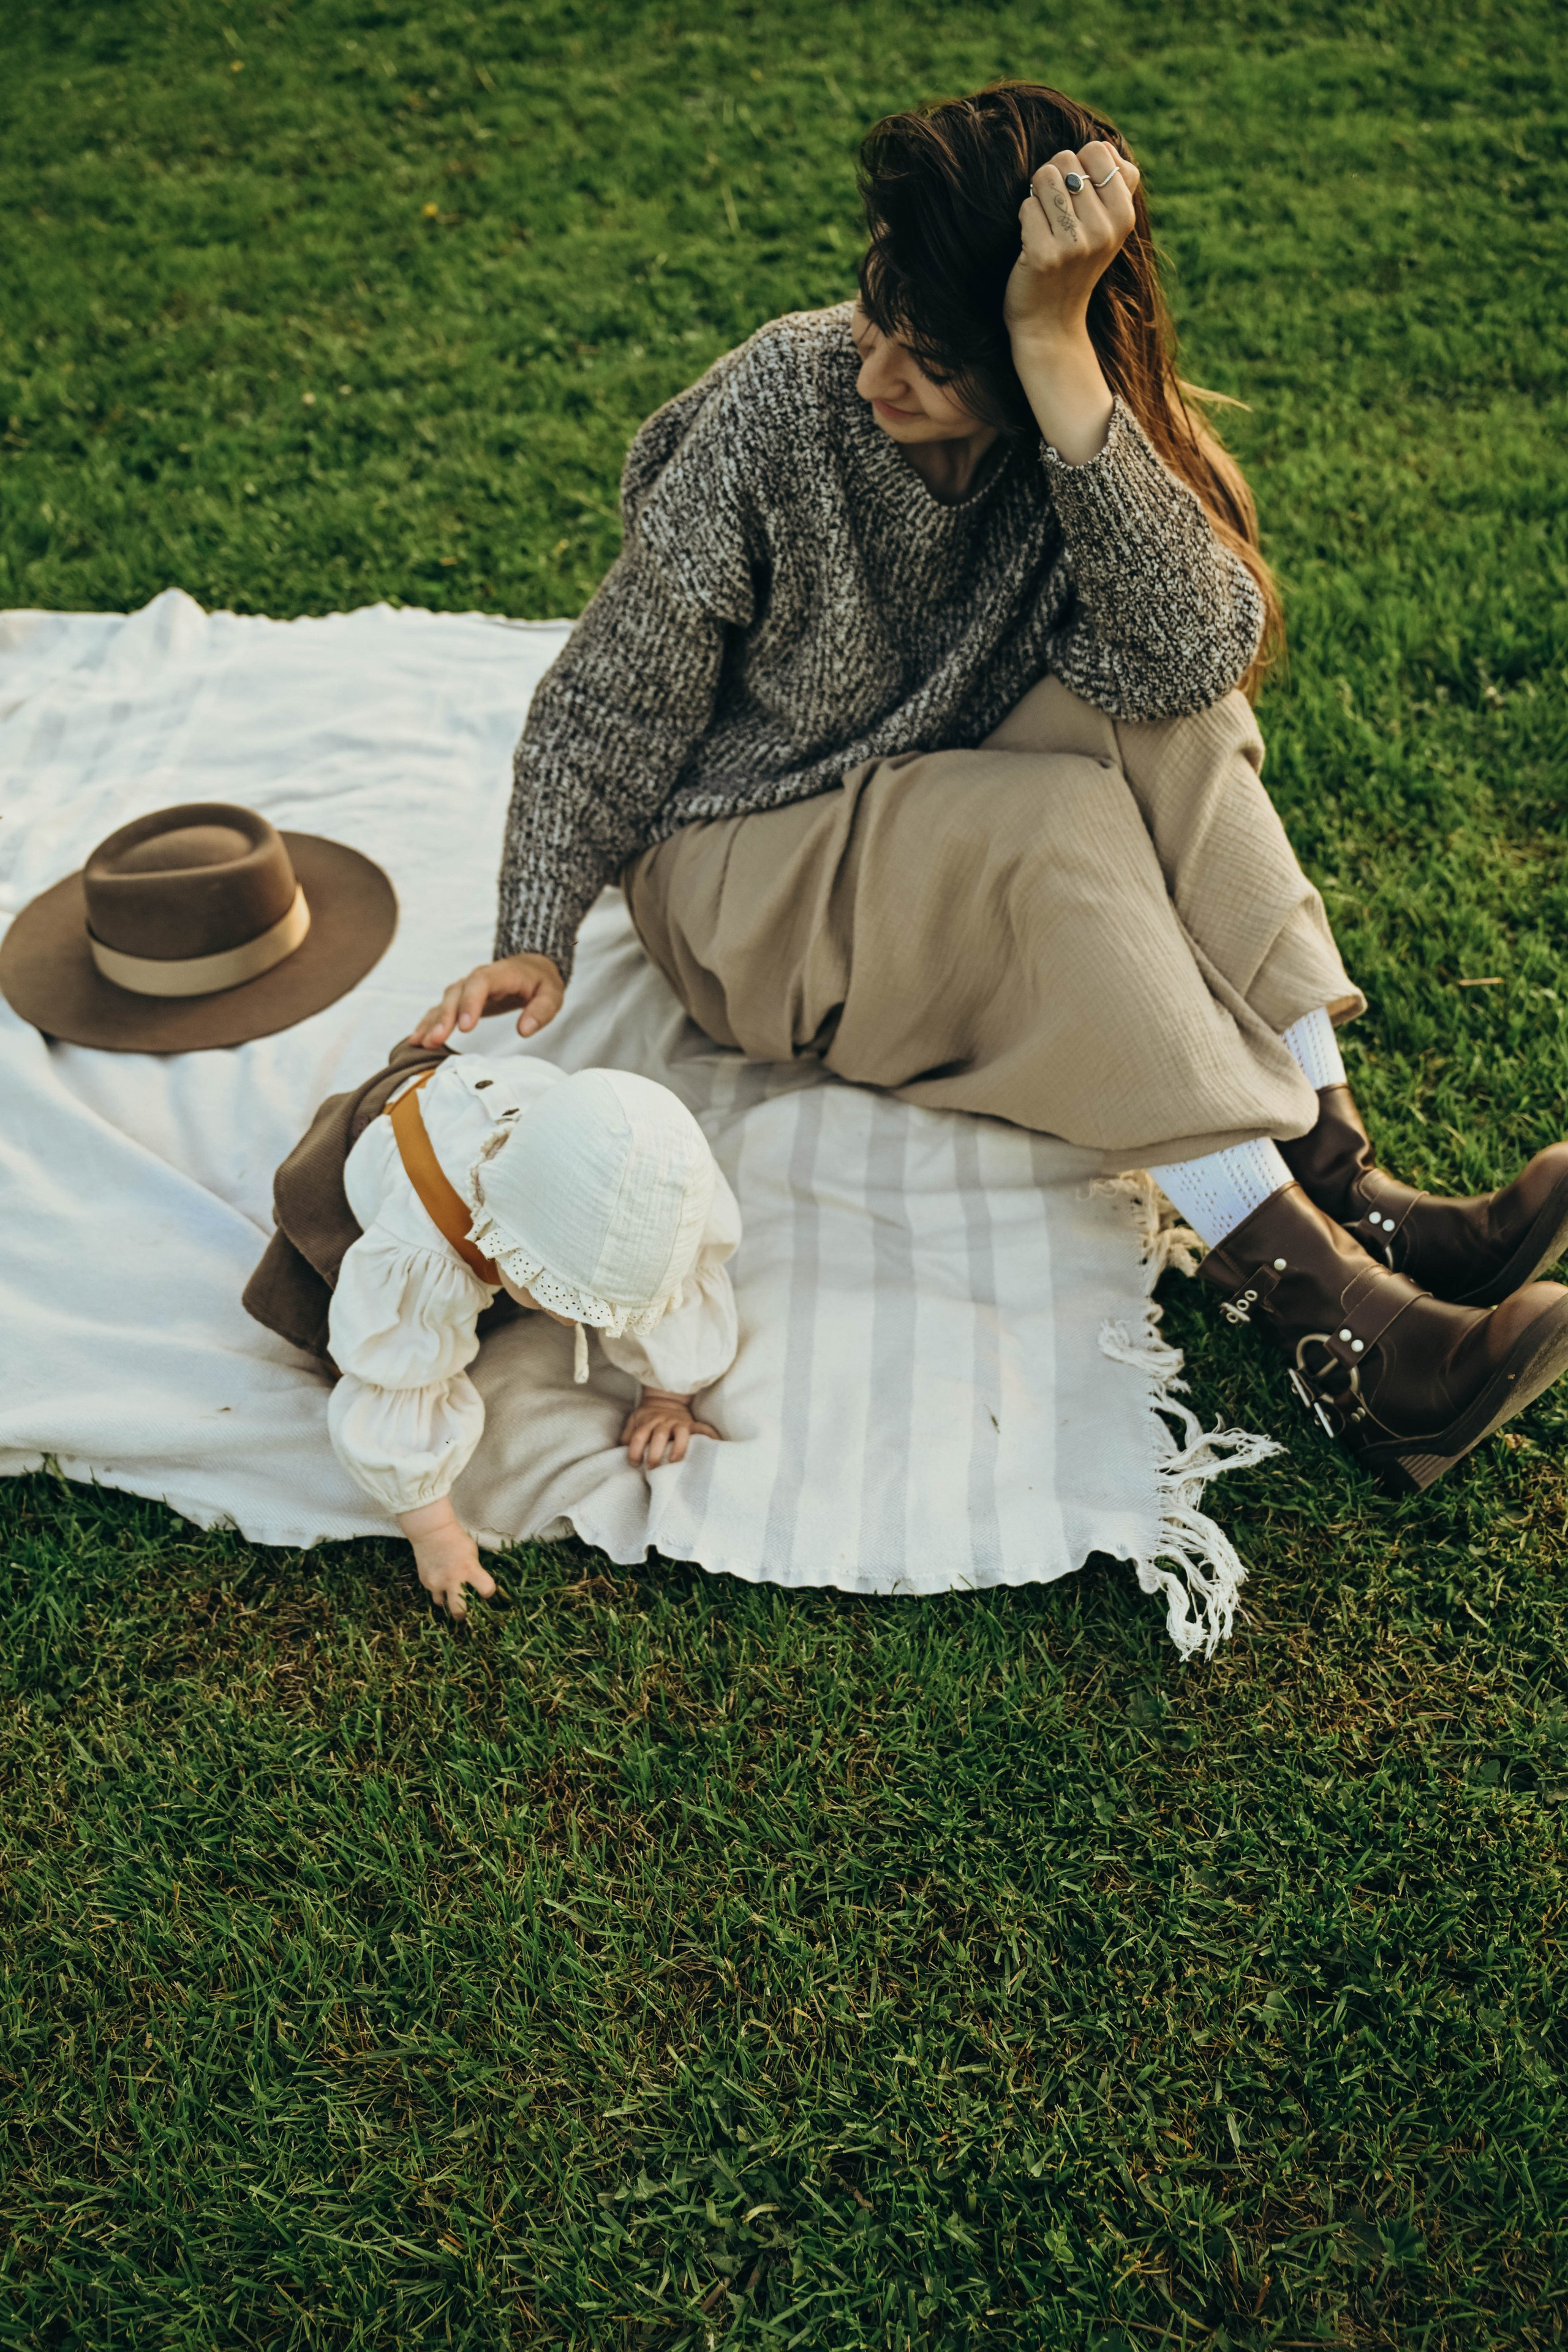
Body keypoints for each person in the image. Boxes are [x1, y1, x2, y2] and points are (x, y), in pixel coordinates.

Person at [412, 80, 1568, 1495]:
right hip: (736, 867)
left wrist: (1056, 362)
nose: (876, 377)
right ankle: (1341, 1331)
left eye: (937, 359)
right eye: (875, 313)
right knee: (1049, 832)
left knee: (1173, 723)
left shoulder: (1066, 428)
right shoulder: (784, 402)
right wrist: (536, 924)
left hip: (921, 780)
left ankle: (1342, 1180)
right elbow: (614, 687)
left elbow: (1190, 655)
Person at [244, 1047, 740, 1615]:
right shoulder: (423, 1242)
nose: (575, 1319)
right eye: (558, 1295)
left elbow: (678, 1276)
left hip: (518, 1108)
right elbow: (400, 1382)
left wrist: (666, 1396)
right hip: (380, 1135)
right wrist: (434, 1533)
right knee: (372, 1342)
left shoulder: (656, 1187)